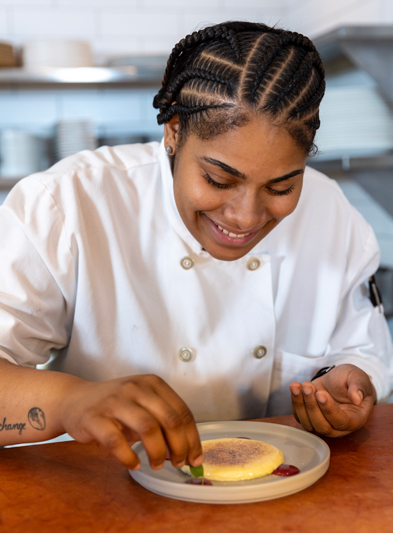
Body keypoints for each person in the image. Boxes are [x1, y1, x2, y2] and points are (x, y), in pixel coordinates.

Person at [0, 21, 392, 472]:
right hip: (105, 496)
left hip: (275, 494)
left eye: (281, 187)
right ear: (173, 131)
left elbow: (362, 352)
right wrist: (70, 401)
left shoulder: (331, 213)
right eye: (218, 180)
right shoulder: (68, 204)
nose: (245, 217)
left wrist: (344, 383)